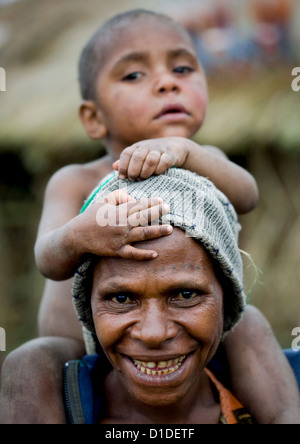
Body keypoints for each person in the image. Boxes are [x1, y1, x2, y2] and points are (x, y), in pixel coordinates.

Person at [0, 9, 297, 424]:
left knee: (248, 321)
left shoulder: (204, 161)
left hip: (190, 333)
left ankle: (284, 415)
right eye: (134, 76)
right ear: (93, 117)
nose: (167, 82)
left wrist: (188, 154)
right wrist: (83, 236)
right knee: (27, 360)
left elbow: (247, 195)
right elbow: (48, 258)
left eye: (182, 68)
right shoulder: (77, 180)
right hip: (80, 345)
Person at [63, 169, 300, 424]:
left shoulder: (284, 398)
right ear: (88, 307)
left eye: (185, 295)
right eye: (121, 299)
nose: (154, 334)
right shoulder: (50, 406)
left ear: (227, 299)